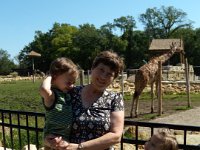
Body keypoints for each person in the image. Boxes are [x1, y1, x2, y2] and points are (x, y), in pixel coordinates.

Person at [45, 50, 125, 150]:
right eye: (101, 70)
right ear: (92, 68)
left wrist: (79, 147)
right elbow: (52, 119)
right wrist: (49, 140)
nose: (103, 77)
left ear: (114, 78)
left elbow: (116, 136)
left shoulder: (115, 99)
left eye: (110, 74)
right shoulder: (71, 93)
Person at [39, 57, 79, 149]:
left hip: (66, 139)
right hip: (53, 140)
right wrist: (50, 76)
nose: (72, 86)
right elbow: (43, 89)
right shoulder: (52, 96)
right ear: (55, 77)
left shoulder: (66, 94)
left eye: (73, 82)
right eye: (69, 82)